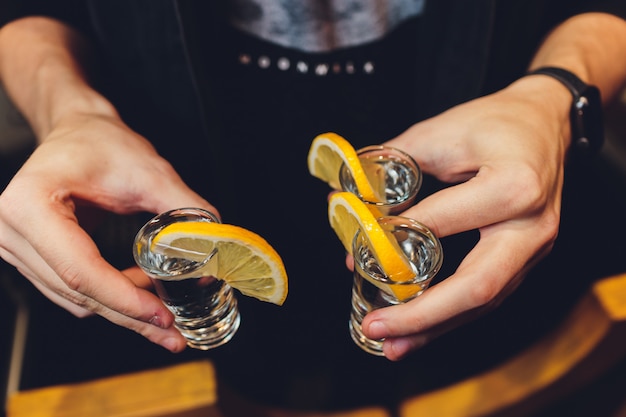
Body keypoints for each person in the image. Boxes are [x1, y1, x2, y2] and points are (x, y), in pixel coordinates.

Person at [1, 0, 626, 410]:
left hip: (476, 177)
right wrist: (69, 110)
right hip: (169, 160)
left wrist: (552, 97)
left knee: (424, 356)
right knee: (246, 373)